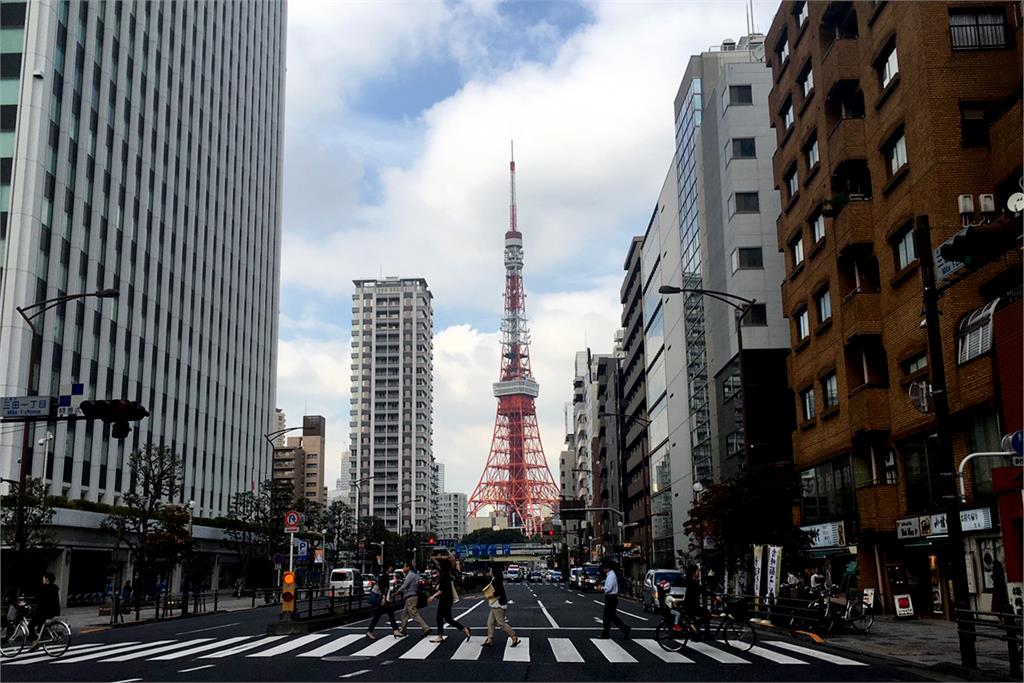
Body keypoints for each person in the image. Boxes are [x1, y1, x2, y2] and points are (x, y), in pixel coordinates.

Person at [428, 557, 470, 643]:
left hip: (445, 599)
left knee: (440, 617)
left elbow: (442, 590)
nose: (438, 566)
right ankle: (464, 629)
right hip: (447, 599)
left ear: (442, 566)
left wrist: (433, 596)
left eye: (439, 565)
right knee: (447, 618)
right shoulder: (447, 573)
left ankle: (440, 636)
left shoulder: (444, 575)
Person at [482, 563, 519, 648]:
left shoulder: (496, 581)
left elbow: (497, 593)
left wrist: (489, 595)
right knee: (490, 622)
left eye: (491, 570)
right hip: (495, 604)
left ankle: (514, 636)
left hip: (498, 604)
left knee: (501, 623)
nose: (490, 571)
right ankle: (489, 639)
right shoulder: (495, 579)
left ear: (494, 571)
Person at [366, 561, 400, 640]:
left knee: (379, 615)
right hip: (382, 599)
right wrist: (384, 597)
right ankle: (395, 630)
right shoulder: (384, 575)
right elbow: (382, 586)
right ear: (388, 567)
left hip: (384, 598)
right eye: (391, 566)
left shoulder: (384, 575)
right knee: (389, 614)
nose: (392, 568)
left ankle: (370, 631)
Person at [395, 562, 430, 637]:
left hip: (411, 597)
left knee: (414, 614)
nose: (403, 569)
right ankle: (403, 630)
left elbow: (404, 585)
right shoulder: (415, 575)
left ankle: (426, 628)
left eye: (404, 567)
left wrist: (397, 592)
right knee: (404, 614)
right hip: (411, 597)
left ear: (408, 568)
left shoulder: (410, 575)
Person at [599, 560, 631, 640]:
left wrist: (602, 588)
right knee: (611, 617)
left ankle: (624, 630)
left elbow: (608, 588)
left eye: (604, 568)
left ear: (607, 568)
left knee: (607, 617)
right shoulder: (611, 575)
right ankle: (624, 629)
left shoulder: (610, 576)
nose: (603, 569)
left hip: (611, 598)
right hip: (612, 598)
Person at [28, 573, 60, 650]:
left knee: (30, 626)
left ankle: (35, 642)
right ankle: (39, 637)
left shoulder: (45, 588)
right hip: (52, 611)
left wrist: (28, 603)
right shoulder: (54, 588)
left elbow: (38, 599)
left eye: (43, 578)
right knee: (40, 625)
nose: (42, 580)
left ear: (47, 579)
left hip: (44, 611)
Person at [681, 564, 709, 636]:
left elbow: (702, 590)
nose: (699, 573)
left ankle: (695, 630)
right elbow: (702, 591)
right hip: (691, 607)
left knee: (705, 614)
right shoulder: (692, 582)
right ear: (693, 573)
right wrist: (714, 596)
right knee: (707, 614)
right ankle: (694, 627)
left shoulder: (692, 581)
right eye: (697, 571)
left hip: (691, 606)